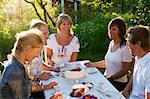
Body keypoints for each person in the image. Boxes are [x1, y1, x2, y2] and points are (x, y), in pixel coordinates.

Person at [85, 17, 132, 91]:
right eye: (109, 29)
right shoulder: (112, 43)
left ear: (121, 31)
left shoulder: (125, 47)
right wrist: (92, 64)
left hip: (118, 84)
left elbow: (125, 70)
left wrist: (109, 78)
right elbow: (107, 62)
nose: (110, 31)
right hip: (107, 79)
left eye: (114, 29)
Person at [0, 29, 44, 99]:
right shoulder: (15, 71)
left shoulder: (19, 64)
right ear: (29, 48)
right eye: (37, 52)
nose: (37, 56)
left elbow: (26, 90)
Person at [29, 19, 59, 99]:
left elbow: (40, 63)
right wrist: (40, 80)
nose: (48, 36)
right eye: (44, 34)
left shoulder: (40, 47)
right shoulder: (29, 51)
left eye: (48, 32)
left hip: (37, 85)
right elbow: (25, 78)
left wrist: (52, 68)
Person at [122, 25, 150, 99]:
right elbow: (135, 76)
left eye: (129, 42)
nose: (127, 45)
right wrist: (126, 90)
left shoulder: (148, 67)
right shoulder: (138, 56)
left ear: (138, 43)